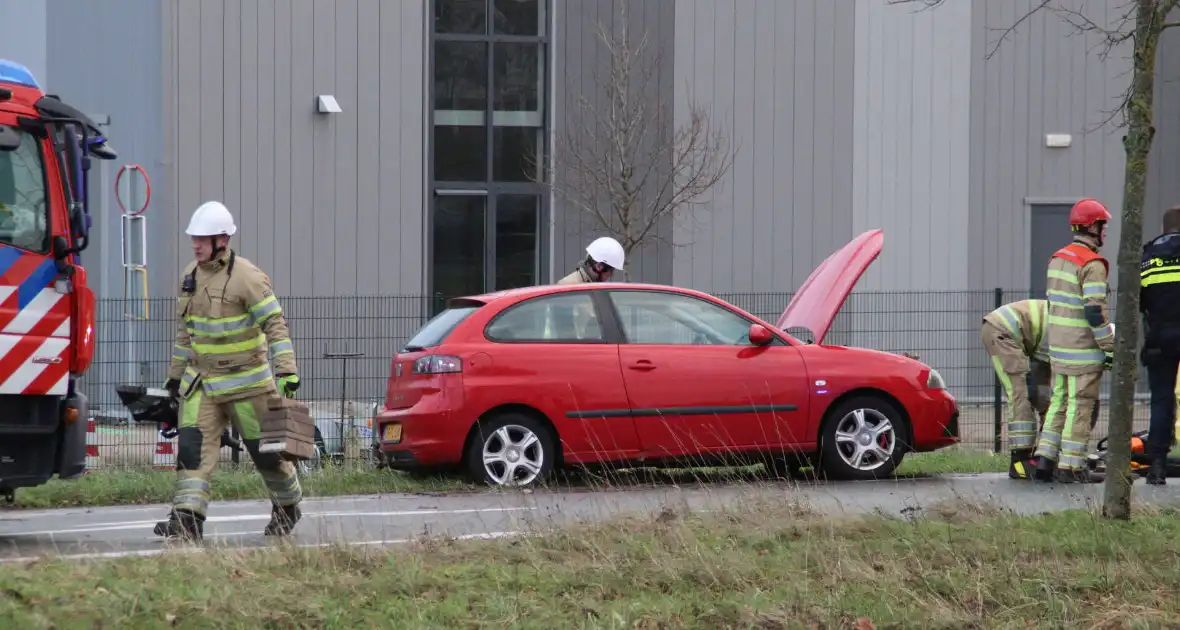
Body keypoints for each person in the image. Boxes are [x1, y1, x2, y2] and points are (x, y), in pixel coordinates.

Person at [154, 201, 303, 541]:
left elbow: (275, 324)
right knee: (191, 451)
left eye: (202, 239)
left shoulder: (248, 277)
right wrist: (175, 376)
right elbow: (186, 333)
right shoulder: (189, 277)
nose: (195, 245)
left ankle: (288, 506)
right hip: (202, 385)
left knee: (268, 456)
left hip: (247, 388)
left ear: (222, 240)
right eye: (193, 238)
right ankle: (187, 520)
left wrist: (287, 371)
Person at [1032, 198, 1115, 483]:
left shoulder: (1058, 258)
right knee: (1081, 407)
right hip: (1083, 350)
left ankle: (1044, 460)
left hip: (1058, 348)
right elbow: (1093, 311)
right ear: (1092, 226)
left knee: (1058, 403)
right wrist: (1109, 345)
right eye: (1103, 225)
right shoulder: (1092, 264)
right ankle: (1071, 467)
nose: (1105, 232)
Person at [980, 299, 1052, 479]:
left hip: (1023, 339)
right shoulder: (1070, 332)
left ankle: (1041, 454)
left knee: (1043, 396)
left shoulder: (1071, 321)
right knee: (1021, 394)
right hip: (1003, 332)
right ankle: (1020, 461)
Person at [1138, 205, 1180, 485]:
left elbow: (1140, 304)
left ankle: (1157, 466)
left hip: (1160, 338)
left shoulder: (1148, 256)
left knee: (1161, 400)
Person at [557, 236, 625, 284]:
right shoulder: (568, 286)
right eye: (611, 271)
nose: (611, 275)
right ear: (599, 267)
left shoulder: (594, 287)